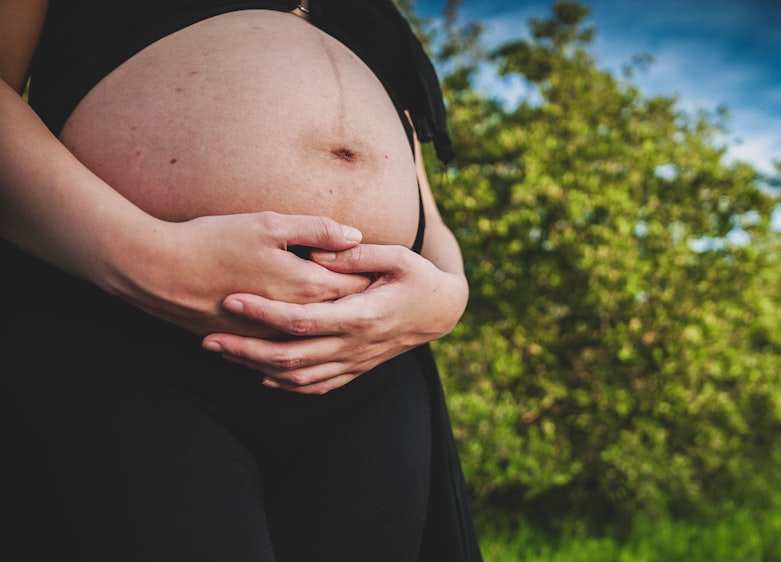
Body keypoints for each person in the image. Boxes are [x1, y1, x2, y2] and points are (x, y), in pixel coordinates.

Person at [0, 1, 482, 560]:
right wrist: (150, 260)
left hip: (368, 363)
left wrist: (449, 295)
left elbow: (427, 204)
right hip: (131, 331)